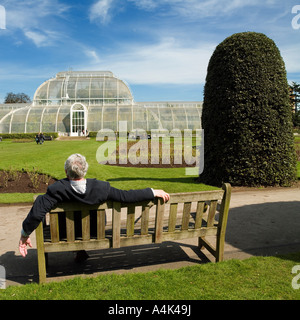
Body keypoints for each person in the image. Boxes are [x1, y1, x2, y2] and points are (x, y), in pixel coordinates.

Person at [19, 153, 170, 258]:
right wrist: (152, 192)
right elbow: (127, 196)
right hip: (95, 231)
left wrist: (24, 235)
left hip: (65, 234)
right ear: (85, 170)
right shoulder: (101, 187)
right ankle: (80, 250)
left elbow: (37, 213)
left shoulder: (56, 189)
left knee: (62, 221)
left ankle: (77, 249)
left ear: (66, 171)